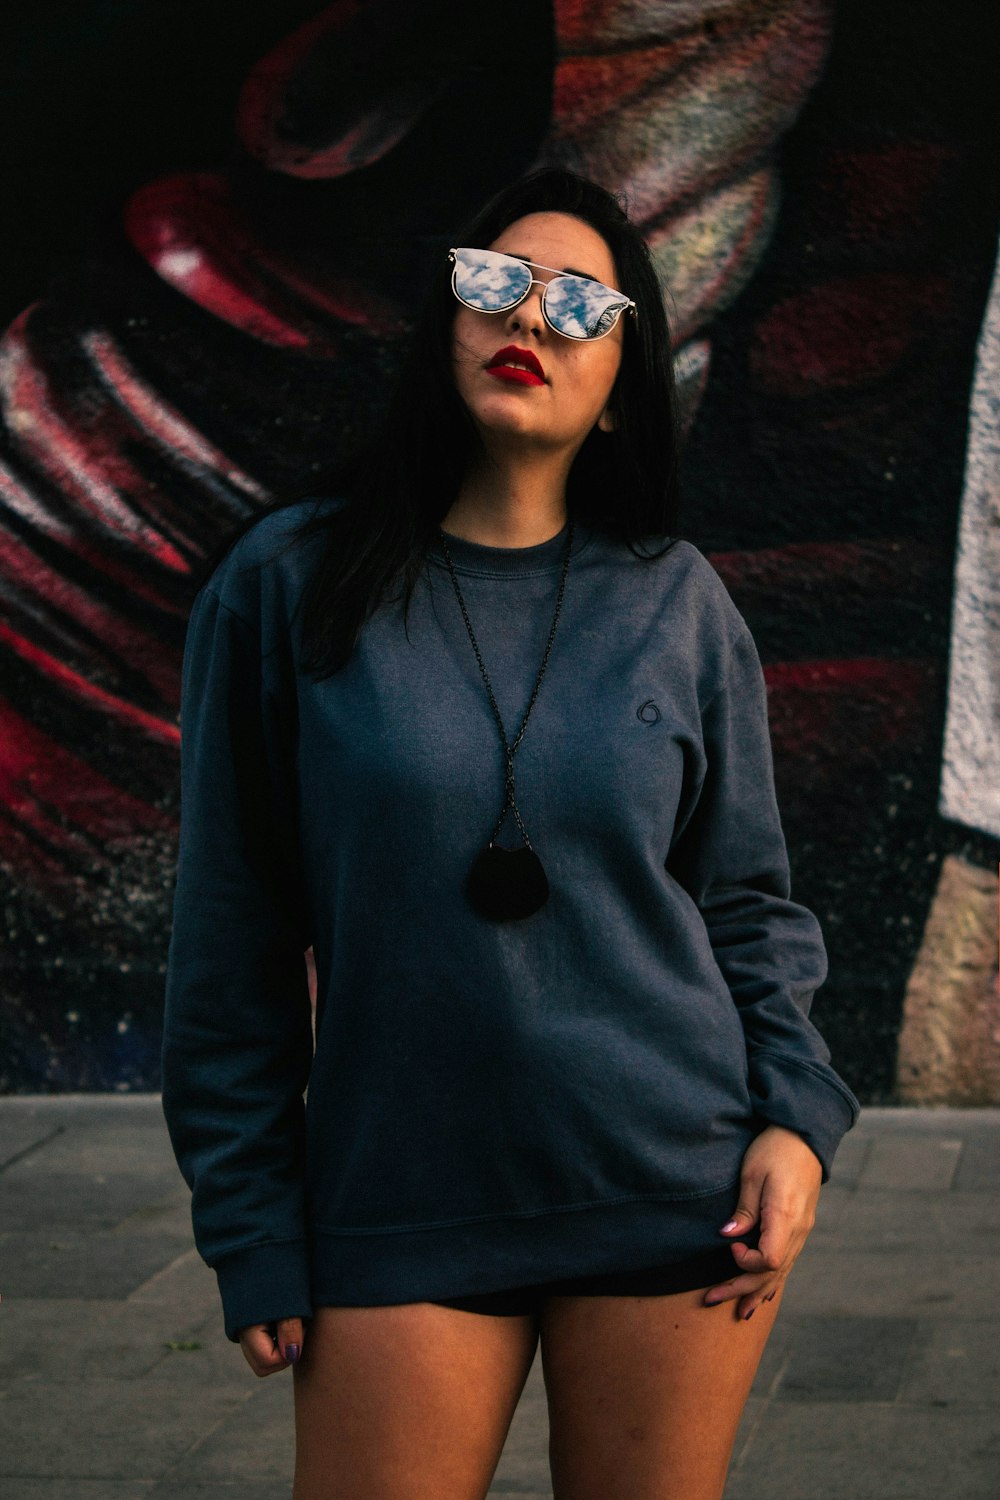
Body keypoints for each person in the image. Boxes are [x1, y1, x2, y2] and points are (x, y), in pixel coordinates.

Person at [161, 165, 860, 1500]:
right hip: (399, 1194)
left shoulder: (678, 601)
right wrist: (248, 1217)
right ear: (445, 325)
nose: (530, 319)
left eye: (581, 305)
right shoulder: (290, 586)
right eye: (497, 282)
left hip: (672, 1180)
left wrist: (795, 1118)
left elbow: (749, 902)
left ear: (622, 383)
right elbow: (232, 932)